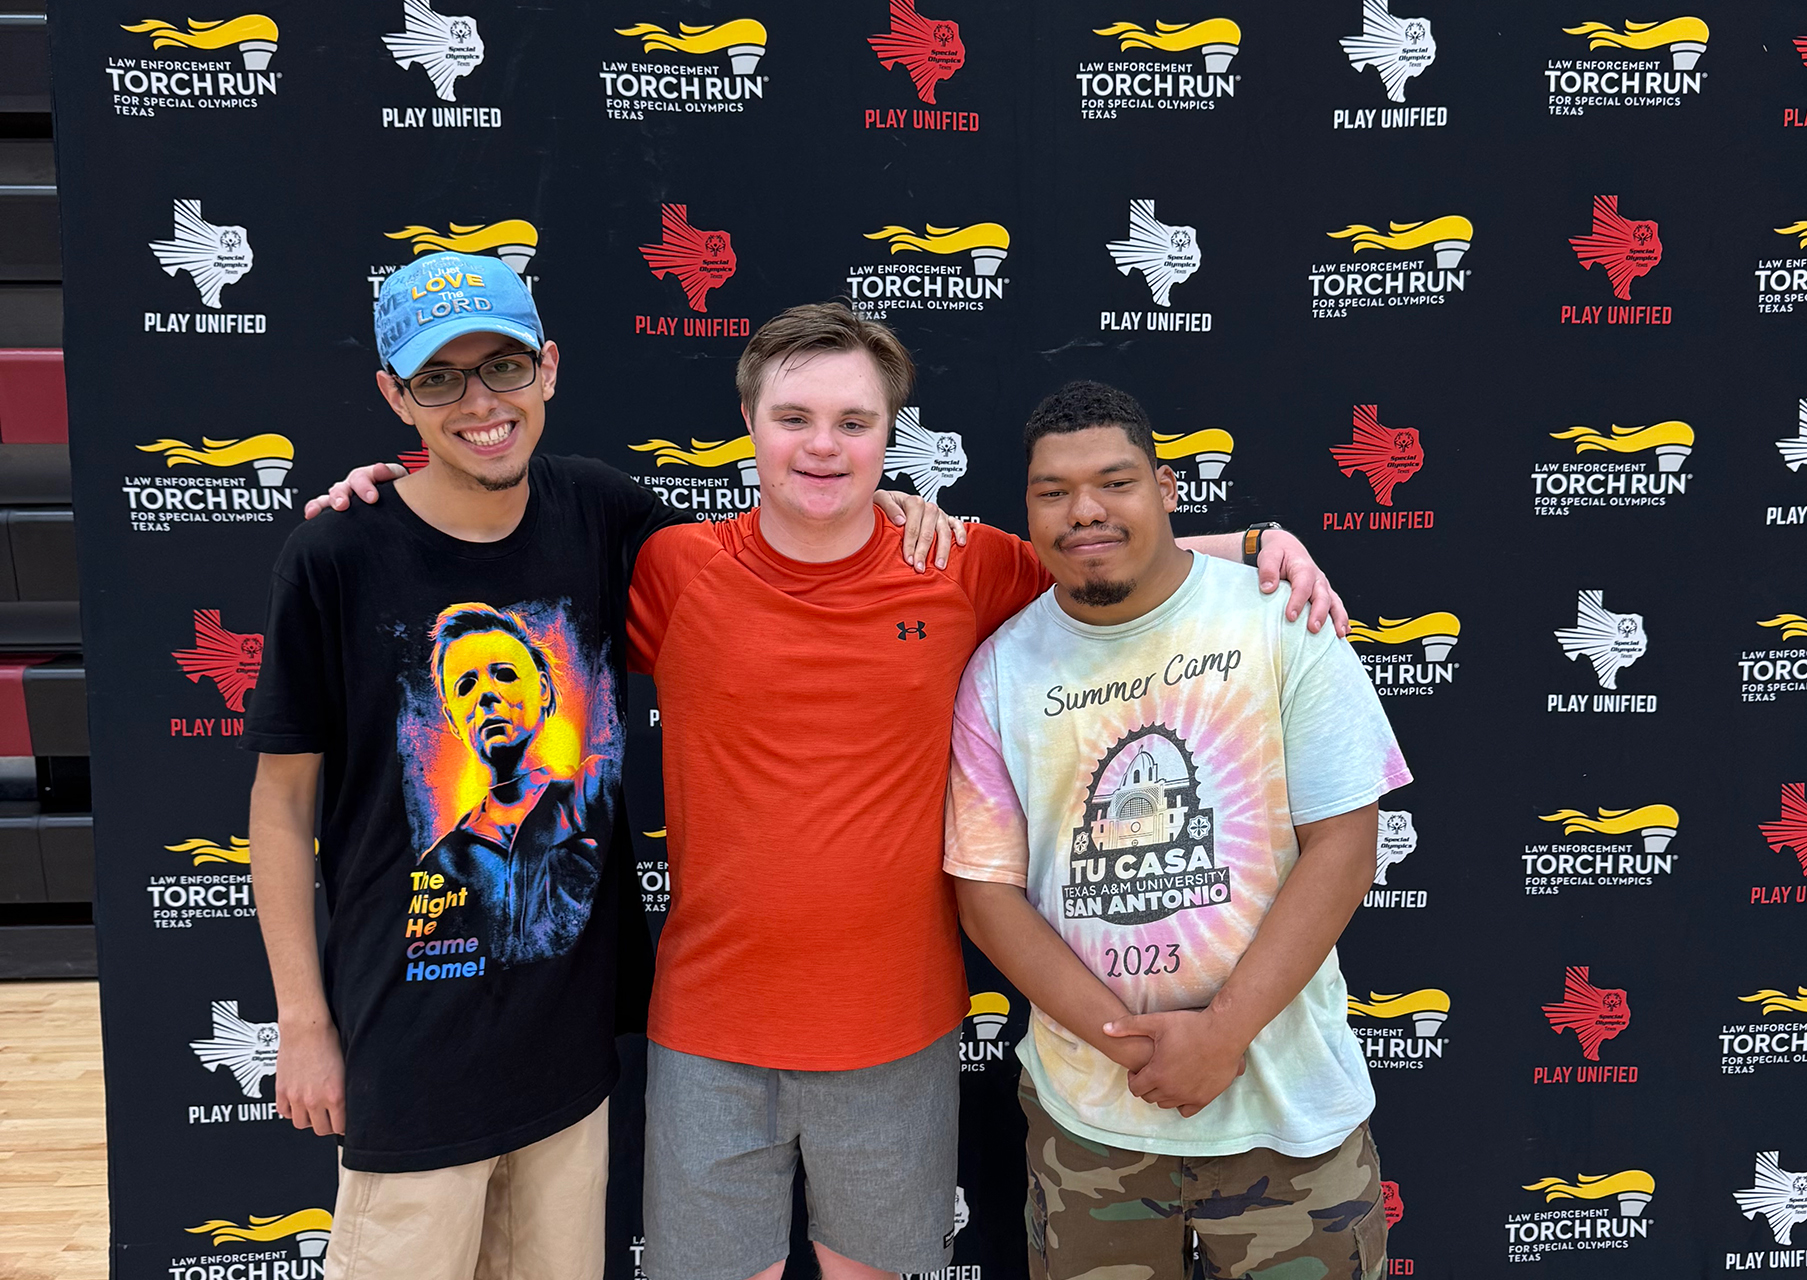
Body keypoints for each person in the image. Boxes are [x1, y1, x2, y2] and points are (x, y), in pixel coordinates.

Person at [313, 302, 1349, 1280]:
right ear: (749, 425)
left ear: (891, 434)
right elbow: (494, 562)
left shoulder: (956, 563)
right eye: (795, 417)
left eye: (854, 421)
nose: (823, 445)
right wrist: (395, 494)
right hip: (709, 1030)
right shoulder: (675, 568)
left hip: (897, 1029)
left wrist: (1254, 547)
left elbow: (1109, 565)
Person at [943, 381, 1409, 1280]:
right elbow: (986, 896)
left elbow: (1346, 849)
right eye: (1053, 492)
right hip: (1090, 1126)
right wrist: (1135, 1044)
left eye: (1115, 482)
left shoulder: (1282, 619)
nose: (1086, 511)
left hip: (1290, 1118)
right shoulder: (999, 671)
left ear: (1165, 488)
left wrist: (1224, 1032)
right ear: (1029, 510)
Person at [421, 602, 612, 966]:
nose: (486, 695)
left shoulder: (594, 792)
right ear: (452, 719)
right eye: (466, 686)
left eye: (504, 674)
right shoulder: (444, 861)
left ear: (541, 688)